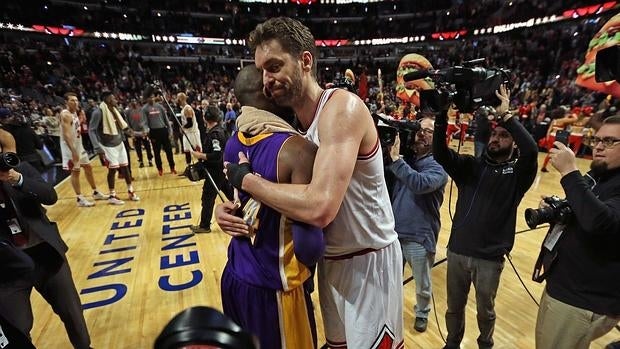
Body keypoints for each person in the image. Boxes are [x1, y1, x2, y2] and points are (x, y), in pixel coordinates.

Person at [218, 17, 403, 348]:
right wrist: (232, 211)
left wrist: (246, 181)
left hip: (367, 260)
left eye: (274, 66)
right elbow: (285, 200)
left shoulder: (341, 109)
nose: (266, 80)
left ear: (305, 61)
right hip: (331, 262)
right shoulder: (294, 127)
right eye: (261, 70)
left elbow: (318, 207)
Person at [216, 64, 324, 349]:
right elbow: (309, 246)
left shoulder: (233, 141)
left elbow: (240, 206)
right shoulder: (298, 151)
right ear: (268, 91)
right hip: (275, 288)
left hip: (234, 275)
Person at [432, 85, 538, 349]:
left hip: (489, 258)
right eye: (493, 135)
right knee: (453, 308)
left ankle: (485, 343)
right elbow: (440, 154)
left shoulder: (517, 175)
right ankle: (453, 343)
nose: (495, 139)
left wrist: (507, 118)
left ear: (513, 142)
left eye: (502, 136)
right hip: (457, 251)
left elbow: (532, 151)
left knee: (485, 311)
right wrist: (441, 117)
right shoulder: (471, 166)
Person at [0, 128, 92, 349]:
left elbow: (50, 195)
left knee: (73, 315)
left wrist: (16, 179)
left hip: (45, 255)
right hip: (8, 267)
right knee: (16, 328)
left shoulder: (19, 169)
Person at [534, 115, 620, 349]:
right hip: (567, 289)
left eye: (610, 141)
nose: (599, 146)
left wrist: (570, 171)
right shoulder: (601, 176)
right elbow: (587, 213)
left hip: (583, 300)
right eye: (598, 139)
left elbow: (599, 222)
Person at [386, 117, 448, 333]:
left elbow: (420, 183)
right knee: (392, 279)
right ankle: (390, 311)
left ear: (439, 136)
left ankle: (422, 313)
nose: (421, 133)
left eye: (429, 131)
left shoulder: (439, 165)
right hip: (395, 232)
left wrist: (396, 160)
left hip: (419, 236)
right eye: (419, 129)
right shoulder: (407, 159)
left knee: (422, 284)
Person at [89, 91, 140, 205]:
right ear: (107, 100)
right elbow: (91, 130)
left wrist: (139, 134)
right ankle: (112, 195)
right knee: (113, 169)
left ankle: (130, 191)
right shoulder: (98, 112)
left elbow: (125, 128)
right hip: (107, 145)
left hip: (119, 142)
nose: (116, 100)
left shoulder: (116, 111)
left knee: (125, 168)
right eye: (113, 99)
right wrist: (97, 147)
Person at [189, 104, 231, 234]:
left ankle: (204, 225)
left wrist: (199, 155)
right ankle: (246, 214)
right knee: (231, 194)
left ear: (206, 118)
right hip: (222, 170)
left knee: (207, 198)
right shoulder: (221, 130)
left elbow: (217, 155)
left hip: (215, 172)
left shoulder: (215, 134)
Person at [59, 92, 106, 207]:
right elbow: (66, 135)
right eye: (72, 100)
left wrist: (80, 120)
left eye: (76, 100)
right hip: (70, 148)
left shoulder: (74, 112)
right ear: (66, 102)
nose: (75, 102)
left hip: (79, 146)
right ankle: (79, 198)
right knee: (75, 172)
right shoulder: (65, 115)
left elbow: (74, 127)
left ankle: (95, 192)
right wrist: (73, 151)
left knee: (88, 167)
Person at [141, 86, 176, 176]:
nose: (152, 99)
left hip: (163, 131)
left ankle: (172, 167)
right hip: (154, 132)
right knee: (157, 153)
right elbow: (144, 122)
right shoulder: (144, 109)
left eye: (153, 97)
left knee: (169, 151)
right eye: (150, 97)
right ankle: (160, 169)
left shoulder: (160, 107)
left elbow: (166, 120)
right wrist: (146, 130)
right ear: (147, 98)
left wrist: (170, 131)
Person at [125, 98, 153, 168]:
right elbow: (127, 122)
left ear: (137, 102)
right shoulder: (128, 112)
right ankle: (141, 161)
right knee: (138, 148)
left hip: (143, 131)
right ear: (130, 103)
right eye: (132, 101)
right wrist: (131, 132)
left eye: (134, 101)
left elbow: (145, 120)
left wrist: (145, 130)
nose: (133, 102)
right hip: (135, 132)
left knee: (148, 147)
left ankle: (150, 160)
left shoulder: (141, 109)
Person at [178, 92, 202, 167]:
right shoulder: (183, 109)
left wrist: (182, 127)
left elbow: (190, 123)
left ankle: (202, 165)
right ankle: (189, 167)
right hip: (187, 133)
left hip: (192, 133)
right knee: (187, 151)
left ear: (181, 99)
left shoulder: (187, 109)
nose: (176, 100)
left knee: (197, 150)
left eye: (178, 98)